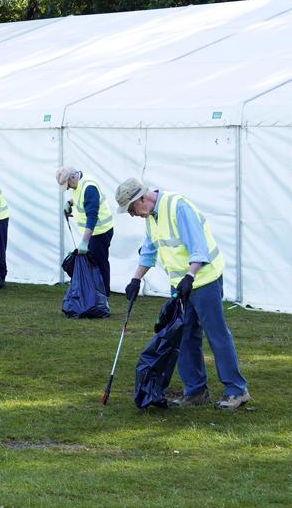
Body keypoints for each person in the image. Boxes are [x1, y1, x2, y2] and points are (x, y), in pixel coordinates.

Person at [116, 177, 251, 410]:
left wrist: (190, 276)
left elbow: (198, 247)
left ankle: (237, 391)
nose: (132, 215)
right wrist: (135, 280)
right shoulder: (151, 217)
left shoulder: (178, 206)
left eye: (131, 209)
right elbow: (149, 250)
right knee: (185, 336)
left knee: (216, 334)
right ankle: (196, 391)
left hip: (204, 279)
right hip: (181, 285)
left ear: (141, 199)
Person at [55, 166, 114, 294]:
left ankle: (103, 295)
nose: (69, 188)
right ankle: (96, 293)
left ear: (72, 177)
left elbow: (92, 217)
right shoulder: (79, 184)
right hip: (95, 232)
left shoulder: (89, 187)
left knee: (100, 264)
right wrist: (70, 203)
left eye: (68, 185)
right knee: (94, 264)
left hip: (100, 232)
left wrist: (85, 242)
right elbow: (80, 198)